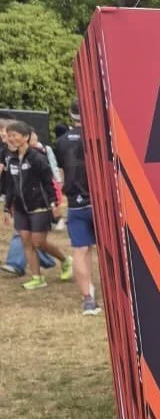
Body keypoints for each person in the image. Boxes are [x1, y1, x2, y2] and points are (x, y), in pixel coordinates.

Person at [0, 120, 70, 289]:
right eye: (9, 136)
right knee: (26, 242)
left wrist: (54, 204)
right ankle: (37, 278)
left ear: (25, 137)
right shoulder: (10, 158)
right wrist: (7, 207)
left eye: (14, 135)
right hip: (20, 207)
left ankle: (65, 260)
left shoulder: (37, 157)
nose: (10, 139)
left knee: (38, 242)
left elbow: (48, 182)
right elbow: (11, 185)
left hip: (39, 205)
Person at [55, 101, 101, 314]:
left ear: (70, 114)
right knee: (108, 251)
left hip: (75, 203)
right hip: (99, 203)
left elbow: (62, 174)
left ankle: (88, 299)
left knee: (81, 250)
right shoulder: (98, 138)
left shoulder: (61, 142)